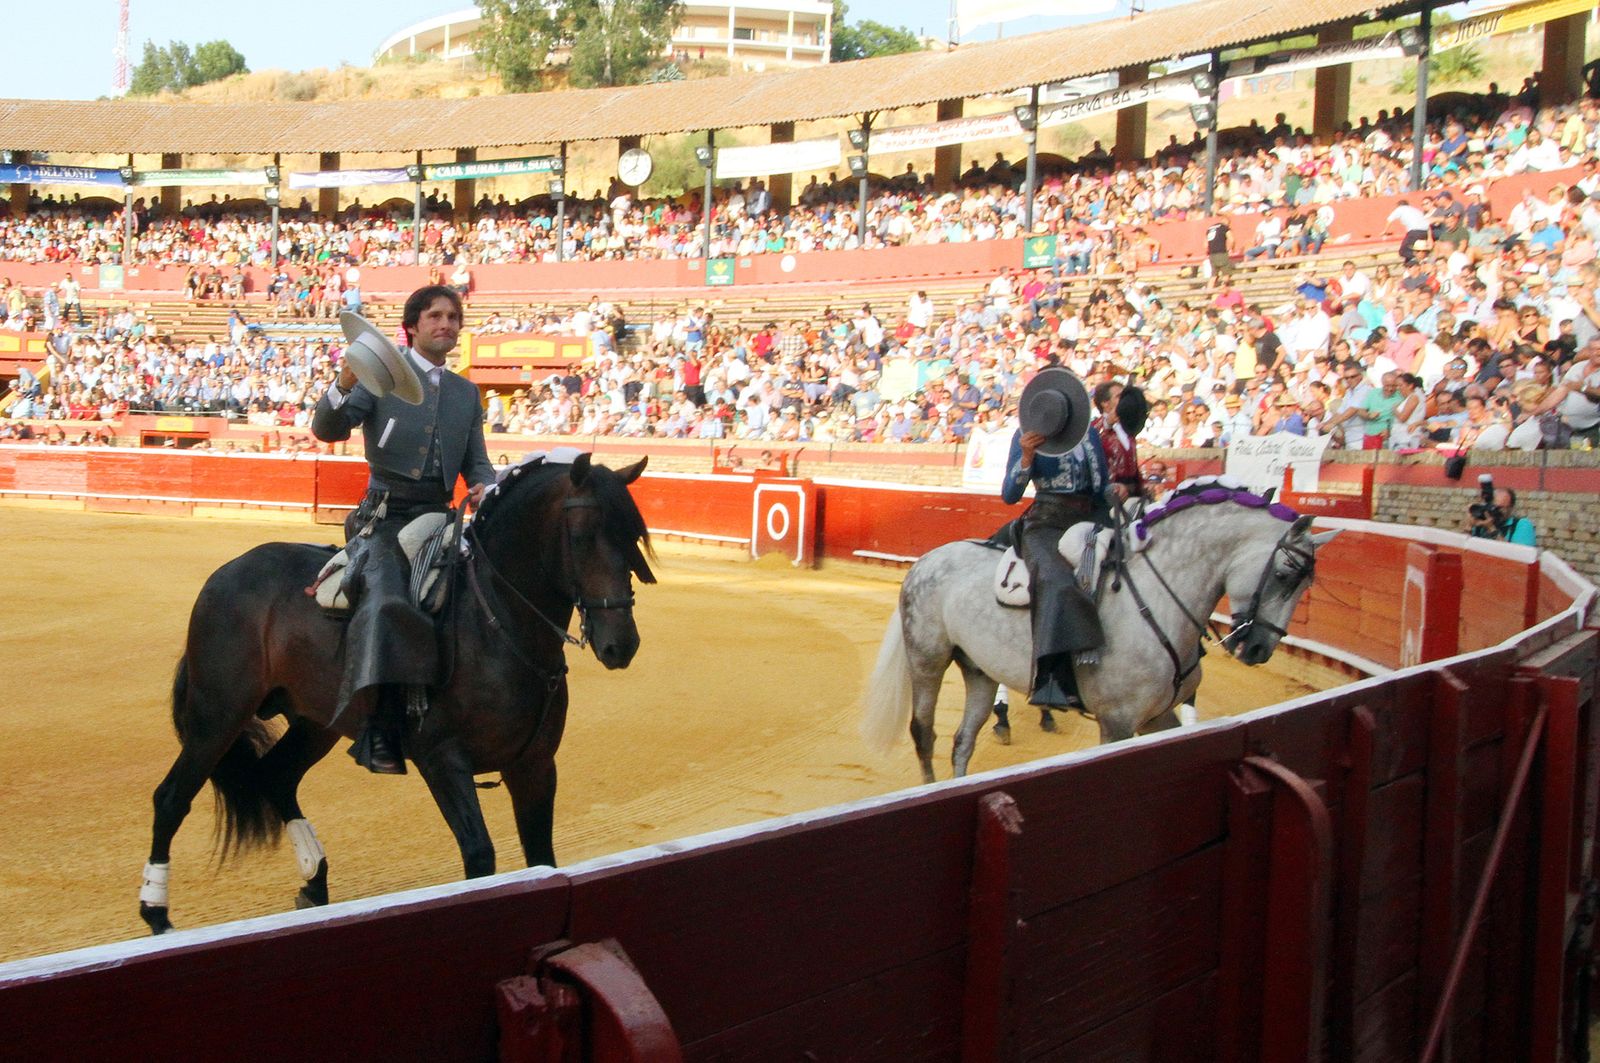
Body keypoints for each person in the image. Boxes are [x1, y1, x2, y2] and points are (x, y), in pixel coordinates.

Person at [311, 285, 496, 774]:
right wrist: (343, 382)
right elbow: (328, 430)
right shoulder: (378, 378)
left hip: (441, 516)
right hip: (384, 517)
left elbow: (478, 464)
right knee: (388, 599)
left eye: (454, 317)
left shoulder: (465, 393)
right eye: (435, 316)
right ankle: (379, 725)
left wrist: (486, 487)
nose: (447, 324)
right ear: (412, 327)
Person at [1001, 372, 1108, 710]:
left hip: (1088, 520)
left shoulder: (1088, 435)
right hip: (1044, 523)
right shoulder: (1025, 437)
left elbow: (1101, 484)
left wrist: (1122, 493)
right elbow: (1009, 495)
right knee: (1057, 580)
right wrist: (1027, 459)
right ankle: (1050, 675)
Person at [1469, 484, 1537, 546]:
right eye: (1493, 506)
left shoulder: (1522, 525)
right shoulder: (1482, 523)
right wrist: (1468, 526)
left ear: (1511, 508)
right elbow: (1463, 550)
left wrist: (1491, 528)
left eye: (1500, 508)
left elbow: (1518, 556)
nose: (1495, 511)